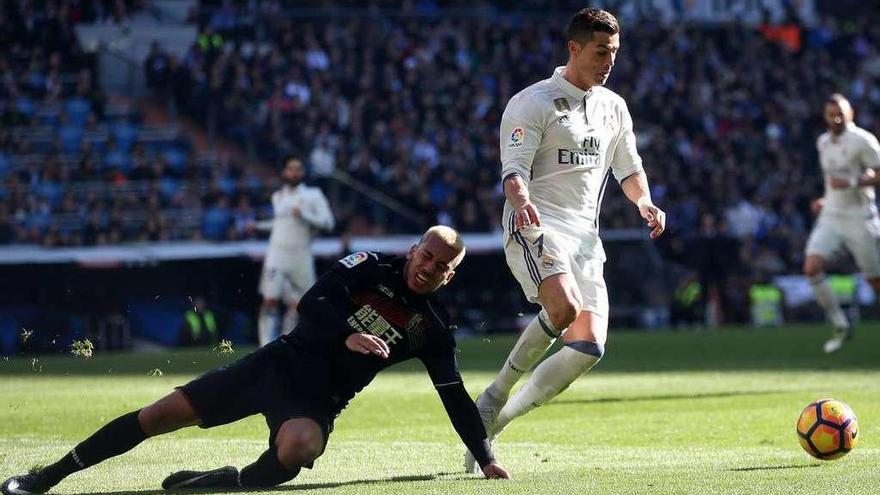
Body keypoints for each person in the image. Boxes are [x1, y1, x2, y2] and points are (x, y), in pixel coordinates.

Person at [1, 226, 508, 495]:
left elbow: (453, 393)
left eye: (442, 267)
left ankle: (229, 480)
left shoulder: (431, 328)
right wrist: (349, 334)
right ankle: (46, 477)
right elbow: (312, 302)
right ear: (415, 248)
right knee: (157, 416)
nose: (429, 268)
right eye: (427, 256)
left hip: (315, 400)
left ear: (450, 276)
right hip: (274, 365)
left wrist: (485, 457)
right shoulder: (369, 267)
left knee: (301, 449)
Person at [464, 8, 666, 472]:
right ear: (574, 48)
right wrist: (521, 204)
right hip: (535, 223)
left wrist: (645, 203)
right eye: (601, 51)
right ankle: (493, 396)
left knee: (588, 347)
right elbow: (513, 174)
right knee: (563, 307)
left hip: (584, 239)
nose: (609, 61)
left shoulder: (614, 106)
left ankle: (494, 423)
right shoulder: (532, 102)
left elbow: (628, 168)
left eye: (614, 52)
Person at [803, 93, 880, 353]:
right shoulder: (823, 142)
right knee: (811, 267)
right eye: (830, 113)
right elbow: (831, 179)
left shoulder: (864, 141)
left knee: (874, 280)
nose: (835, 118)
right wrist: (826, 199)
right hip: (832, 215)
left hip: (860, 217)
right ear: (824, 116)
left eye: (840, 113)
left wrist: (852, 183)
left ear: (851, 113)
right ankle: (840, 324)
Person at [257, 155, 334, 346]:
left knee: (300, 304)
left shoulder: (313, 195)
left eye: (298, 169)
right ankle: (264, 345)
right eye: (291, 169)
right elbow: (280, 224)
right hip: (276, 254)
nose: (295, 172)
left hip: (301, 255)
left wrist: (305, 215)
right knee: (270, 300)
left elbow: (328, 223)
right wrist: (258, 226)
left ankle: (285, 342)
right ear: (284, 172)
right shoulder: (278, 197)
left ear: (303, 172)